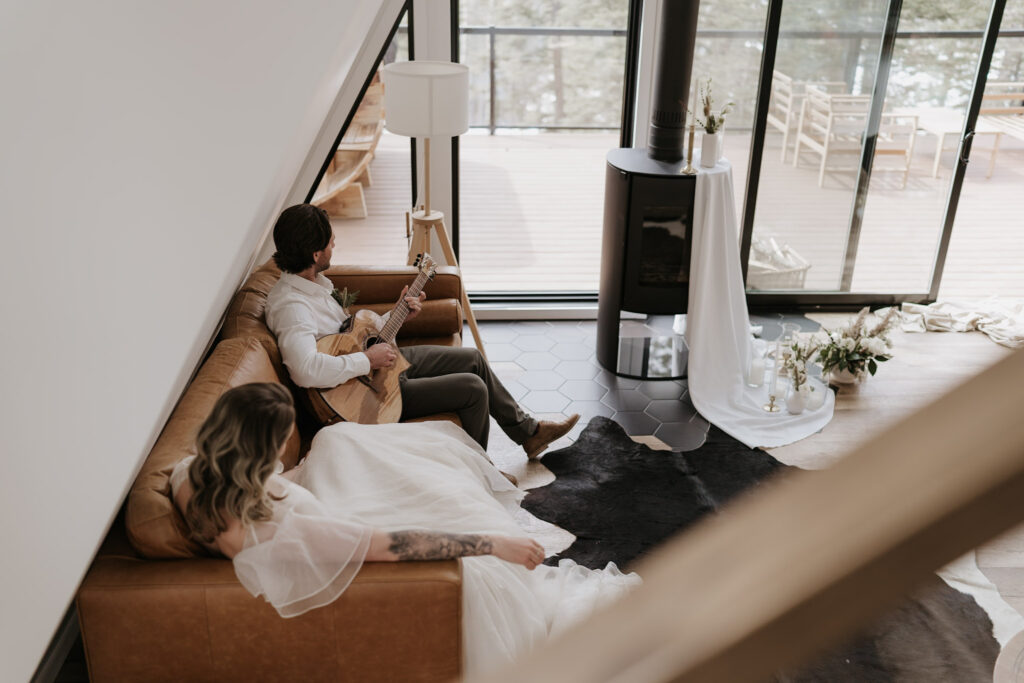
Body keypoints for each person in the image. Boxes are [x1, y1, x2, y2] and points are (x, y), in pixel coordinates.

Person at [172, 383, 639, 675]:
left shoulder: (190, 476)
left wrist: (287, 477)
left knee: (338, 443)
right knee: (483, 572)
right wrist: (495, 545)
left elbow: (258, 492)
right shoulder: (287, 532)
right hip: (366, 564)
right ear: (259, 450)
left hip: (334, 530)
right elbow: (392, 544)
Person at [264, 203, 578, 464]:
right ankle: (479, 473)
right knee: (472, 388)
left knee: (472, 359)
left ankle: (530, 433)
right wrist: (366, 359)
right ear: (316, 254)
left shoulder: (314, 286)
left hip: (371, 370)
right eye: (331, 242)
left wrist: (397, 314)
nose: (335, 245)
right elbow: (305, 370)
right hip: (361, 399)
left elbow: (348, 340)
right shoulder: (291, 306)